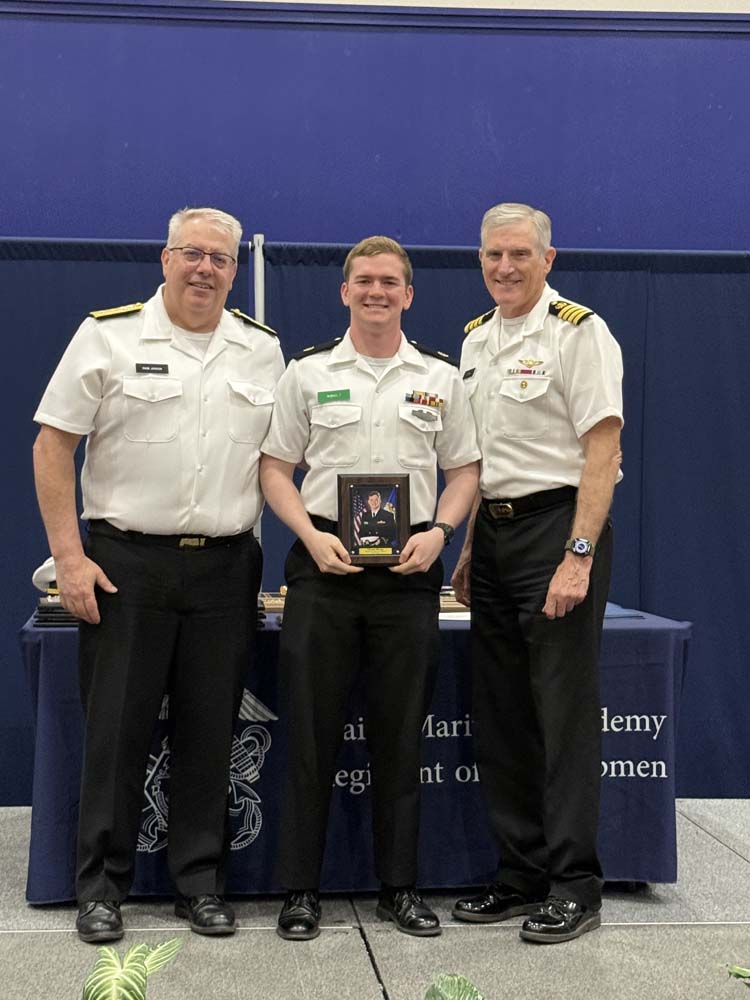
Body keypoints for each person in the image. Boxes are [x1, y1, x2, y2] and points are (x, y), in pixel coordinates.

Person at [32, 207, 285, 943]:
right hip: (127, 565)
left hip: (227, 567)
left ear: (235, 270)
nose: (206, 269)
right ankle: (100, 889)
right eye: (192, 254)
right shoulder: (108, 335)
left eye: (220, 258)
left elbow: (279, 460)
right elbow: (52, 446)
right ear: (165, 258)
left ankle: (199, 883)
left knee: (211, 727)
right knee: (117, 728)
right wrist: (69, 557)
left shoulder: (260, 349)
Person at [260, 236, 480, 941]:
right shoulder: (307, 372)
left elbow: (464, 470)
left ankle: (399, 888)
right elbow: (275, 468)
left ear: (408, 294)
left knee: (401, 735)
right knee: (311, 732)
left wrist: (442, 531)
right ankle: (300, 890)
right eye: (364, 280)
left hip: (410, 572)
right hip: (324, 567)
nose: (376, 291)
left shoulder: (440, 377)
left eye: (389, 281)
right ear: (344, 291)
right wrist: (308, 534)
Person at [451, 203, 623, 944]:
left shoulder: (579, 333)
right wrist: (468, 548)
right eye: (494, 254)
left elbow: (603, 450)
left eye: (520, 254)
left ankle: (574, 884)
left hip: (559, 529)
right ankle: (519, 873)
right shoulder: (475, 340)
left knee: (562, 715)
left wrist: (578, 555)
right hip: (493, 535)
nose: (506, 267)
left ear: (548, 259)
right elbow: (484, 458)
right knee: (503, 714)